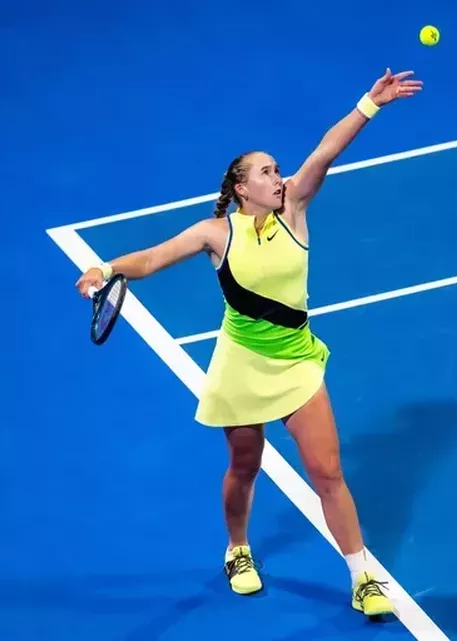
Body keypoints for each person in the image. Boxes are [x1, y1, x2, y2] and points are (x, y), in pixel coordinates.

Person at [75, 68, 423, 617]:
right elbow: (152, 258)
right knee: (244, 464)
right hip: (241, 364)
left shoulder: (294, 210)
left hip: (297, 363)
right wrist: (104, 267)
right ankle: (237, 549)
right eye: (267, 172)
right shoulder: (215, 234)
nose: (279, 178)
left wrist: (370, 103)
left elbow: (326, 152)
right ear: (241, 188)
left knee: (328, 472)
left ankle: (362, 577)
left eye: (278, 170)